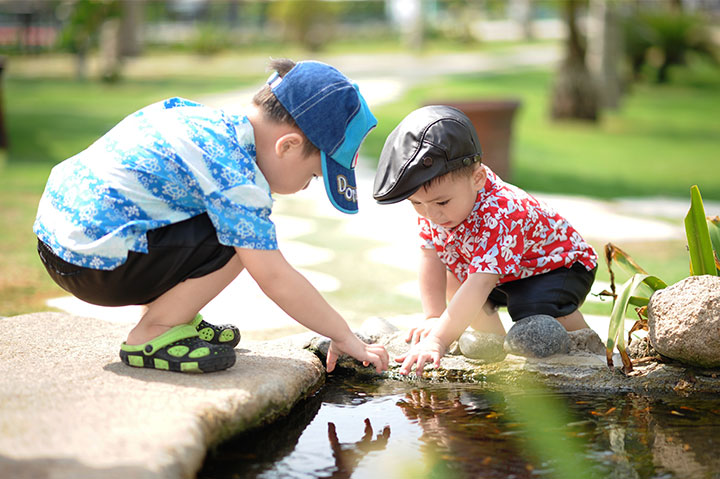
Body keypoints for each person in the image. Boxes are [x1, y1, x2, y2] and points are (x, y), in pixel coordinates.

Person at [34, 58, 389, 374]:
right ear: (288, 146)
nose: (304, 187)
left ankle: (175, 317)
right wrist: (342, 335)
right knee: (243, 241)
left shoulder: (203, 121)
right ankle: (154, 333)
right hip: (94, 265)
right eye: (312, 177)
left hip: (60, 242)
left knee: (225, 223)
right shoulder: (235, 175)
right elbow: (274, 277)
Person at [372, 105, 597, 375]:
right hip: (503, 272)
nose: (431, 214)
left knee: (531, 308)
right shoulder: (435, 209)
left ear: (477, 178)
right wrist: (434, 316)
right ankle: (495, 349)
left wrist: (437, 340)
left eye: (441, 201)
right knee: (456, 278)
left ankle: (587, 347)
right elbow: (430, 256)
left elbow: (481, 282)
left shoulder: (502, 211)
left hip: (558, 267)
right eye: (416, 203)